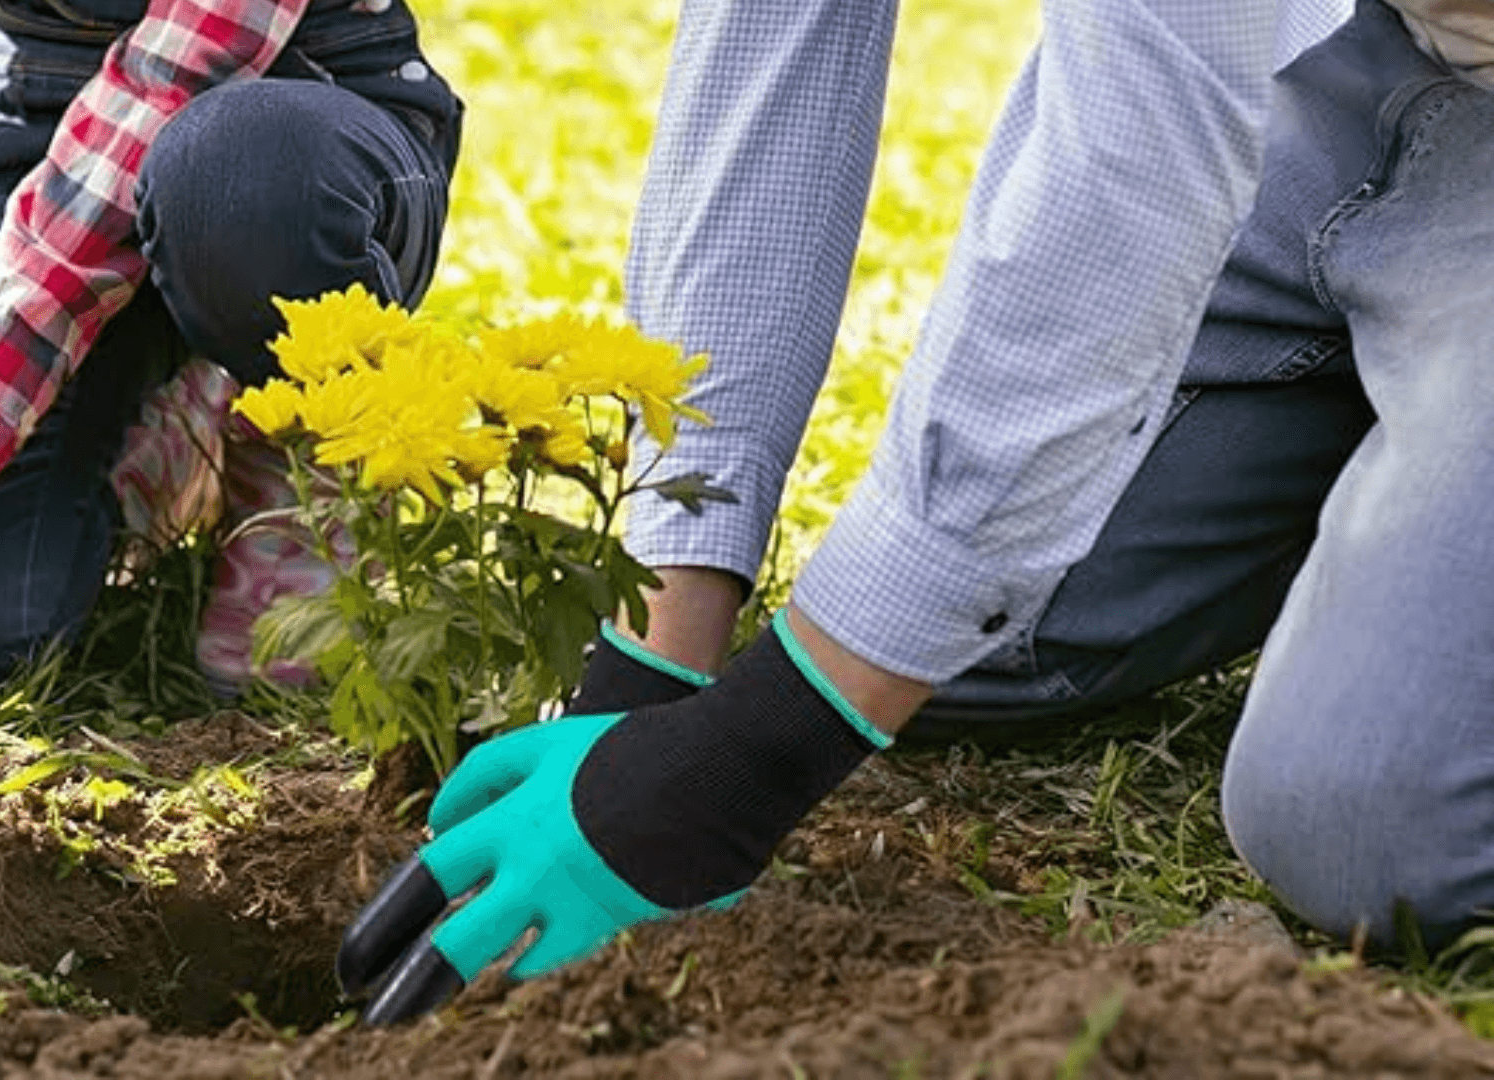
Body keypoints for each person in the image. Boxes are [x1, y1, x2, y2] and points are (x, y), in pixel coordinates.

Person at [340, 0, 1494, 1026]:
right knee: (962, 646)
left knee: (1368, 831)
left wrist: (745, 762)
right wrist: (662, 647)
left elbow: (1135, 149)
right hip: (1353, 72)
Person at [0, 0, 462, 691]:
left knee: (235, 180)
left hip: (293, 153)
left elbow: (182, 77)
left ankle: (294, 438)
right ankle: (168, 422)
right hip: (41, 134)